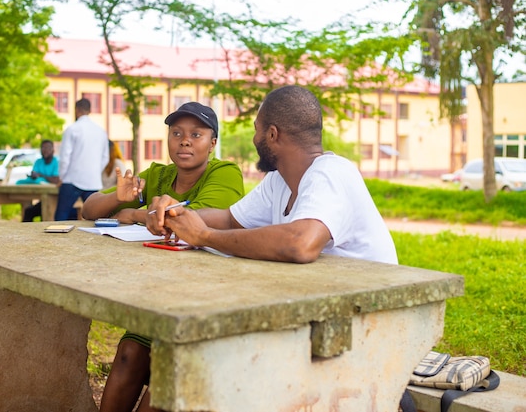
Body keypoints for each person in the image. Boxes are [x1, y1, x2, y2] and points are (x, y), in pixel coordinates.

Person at [82, 102, 245, 412]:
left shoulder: (224, 173)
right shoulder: (158, 174)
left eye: (196, 134)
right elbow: (89, 210)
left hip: (205, 300)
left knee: (168, 372)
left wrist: (134, 213)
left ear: (212, 144)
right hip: (159, 295)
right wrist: (120, 198)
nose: (185, 140)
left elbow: (185, 220)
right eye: (177, 133)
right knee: (130, 352)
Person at [149, 85, 398, 266]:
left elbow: (300, 244)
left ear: (272, 135)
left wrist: (205, 236)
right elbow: (230, 220)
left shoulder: (332, 172)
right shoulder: (280, 180)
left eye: (257, 130)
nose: (253, 139)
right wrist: (176, 215)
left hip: (373, 314)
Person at [54, 98, 109, 221]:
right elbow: (105, 157)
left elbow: (65, 157)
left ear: (77, 110)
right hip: (92, 180)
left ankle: (57, 239)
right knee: (94, 217)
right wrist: (94, 171)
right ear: (90, 110)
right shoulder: (101, 131)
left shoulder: (72, 129)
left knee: (62, 215)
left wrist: (61, 177)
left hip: (71, 179)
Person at [16, 140, 60, 222]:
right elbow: (36, 176)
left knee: (45, 211)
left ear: (53, 150)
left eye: (47, 148)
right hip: (43, 196)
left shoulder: (57, 162)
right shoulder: (38, 162)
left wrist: (41, 175)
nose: (45, 150)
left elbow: (56, 180)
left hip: (56, 199)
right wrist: (34, 176)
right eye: (43, 148)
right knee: (28, 211)